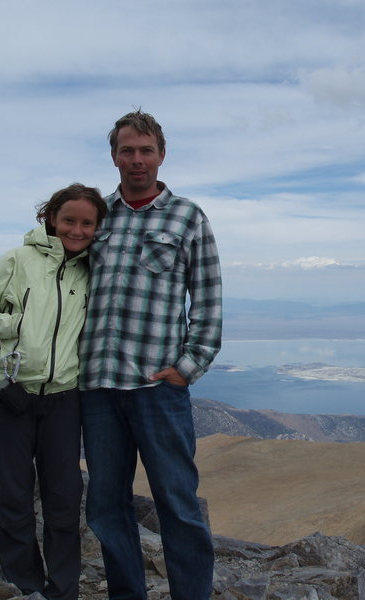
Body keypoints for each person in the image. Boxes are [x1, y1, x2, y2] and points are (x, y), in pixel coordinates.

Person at [79, 110, 222, 600]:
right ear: (114, 156)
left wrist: (187, 369)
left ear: (161, 155)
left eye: (145, 150)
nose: (136, 160)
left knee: (177, 505)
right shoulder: (98, 216)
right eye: (126, 150)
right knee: (104, 504)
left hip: (158, 389)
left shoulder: (187, 217)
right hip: (98, 386)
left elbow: (207, 300)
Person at [0, 183, 107, 599]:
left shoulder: (93, 270)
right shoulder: (17, 260)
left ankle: (63, 590)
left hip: (64, 400)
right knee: (13, 495)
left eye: (87, 223)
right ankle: (26, 585)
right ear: (51, 219)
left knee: (63, 501)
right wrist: (15, 325)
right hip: (8, 396)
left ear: (97, 228)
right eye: (69, 221)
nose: (77, 230)